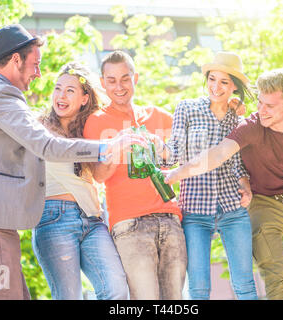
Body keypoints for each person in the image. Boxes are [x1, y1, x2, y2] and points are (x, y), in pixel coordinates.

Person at [0, 25, 145, 300]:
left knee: (15, 295)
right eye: (35, 64)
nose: (38, 73)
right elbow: (47, 146)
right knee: (6, 296)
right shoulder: (1, 97)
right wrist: (107, 147)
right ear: (16, 60)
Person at [165, 68, 283, 300]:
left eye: (269, 106)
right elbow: (219, 154)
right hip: (261, 203)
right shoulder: (251, 127)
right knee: (276, 279)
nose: (261, 110)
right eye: (260, 102)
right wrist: (176, 174)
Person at [83, 50, 187, 300]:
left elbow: (185, 158)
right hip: (130, 224)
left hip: (171, 218)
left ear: (135, 78)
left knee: (175, 300)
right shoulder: (96, 121)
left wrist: (163, 150)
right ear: (103, 83)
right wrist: (116, 149)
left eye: (125, 78)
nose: (119, 86)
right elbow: (98, 176)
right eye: (111, 80)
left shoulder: (160, 116)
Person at [158, 51, 258, 300]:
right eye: (212, 79)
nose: (216, 87)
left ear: (235, 86)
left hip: (232, 207)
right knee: (199, 289)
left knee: (245, 284)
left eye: (224, 82)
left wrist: (245, 183)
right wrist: (158, 149)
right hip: (195, 209)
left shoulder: (239, 118)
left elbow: (238, 162)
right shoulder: (187, 109)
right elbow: (175, 153)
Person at [32, 62, 129, 300]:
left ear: (85, 99)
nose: (60, 96)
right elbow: (53, 150)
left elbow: (99, 176)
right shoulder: (38, 127)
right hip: (54, 217)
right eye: (57, 89)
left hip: (92, 219)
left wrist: (115, 150)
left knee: (116, 290)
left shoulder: (90, 131)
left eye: (70, 90)